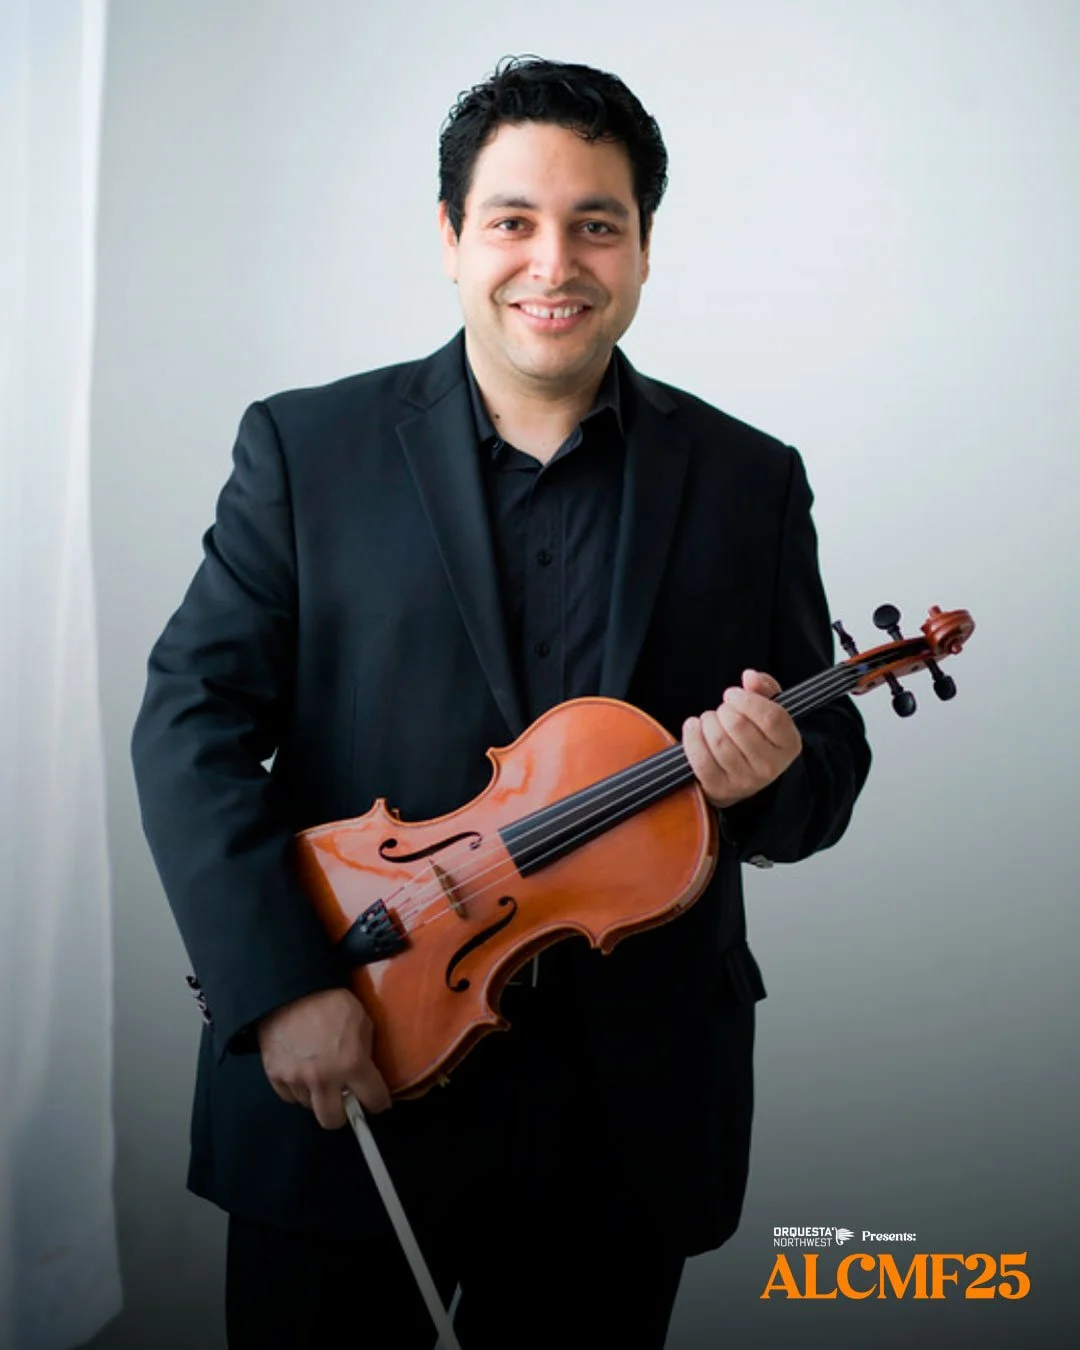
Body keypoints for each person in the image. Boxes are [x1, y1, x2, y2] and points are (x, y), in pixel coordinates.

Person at [132, 56, 871, 1350]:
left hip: (628, 1113)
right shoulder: (307, 449)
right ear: (450, 237)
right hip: (354, 1046)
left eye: (598, 224)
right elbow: (188, 722)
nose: (555, 263)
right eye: (513, 220)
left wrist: (771, 779)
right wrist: (279, 985)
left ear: (644, 248)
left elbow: (825, 772)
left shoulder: (749, 478)